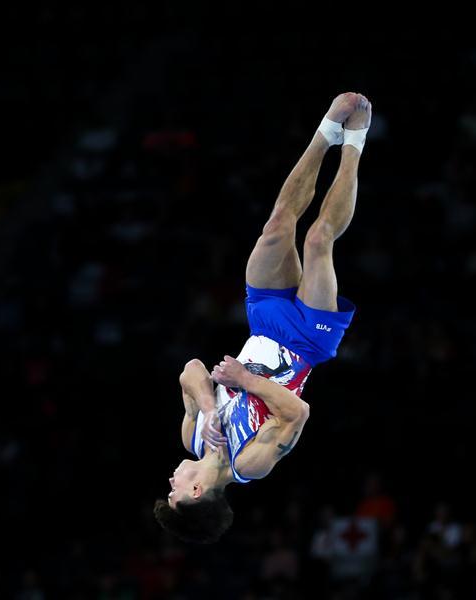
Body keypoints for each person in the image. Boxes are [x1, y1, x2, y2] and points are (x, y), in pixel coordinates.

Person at [154, 92, 373, 543]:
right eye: (174, 491)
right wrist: (243, 380)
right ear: (197, 492)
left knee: (277, 224)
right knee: (317, 241)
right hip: (307, 342)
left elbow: (191, 372)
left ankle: (326, 132)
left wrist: (212, 407)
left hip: (264, 323)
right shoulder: (248, 464)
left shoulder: (193, 438)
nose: (171, 480)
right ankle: (355, 141)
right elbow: (297, 412)